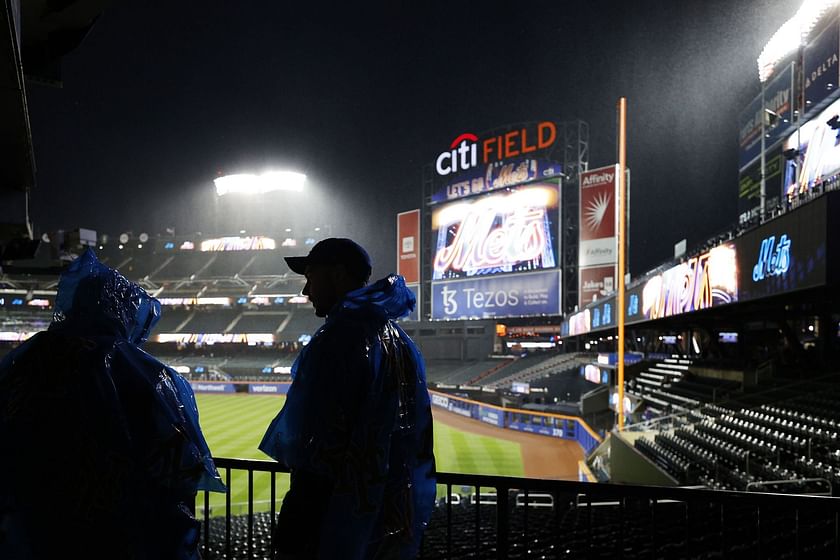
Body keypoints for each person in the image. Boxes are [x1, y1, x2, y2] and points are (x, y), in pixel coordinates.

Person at [0, 248, 225, 560]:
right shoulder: (147, 375)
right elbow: (179, 472)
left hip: (31, 529)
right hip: (116, 536)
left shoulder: (25, 362)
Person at [259, 238, 436, 560]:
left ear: (338, 274)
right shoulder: (396, 337)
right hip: (386, 507)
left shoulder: (339, 338)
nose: (305, 291)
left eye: (311, 277)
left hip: (327, 509)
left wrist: (297, 523)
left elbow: (314, 445)